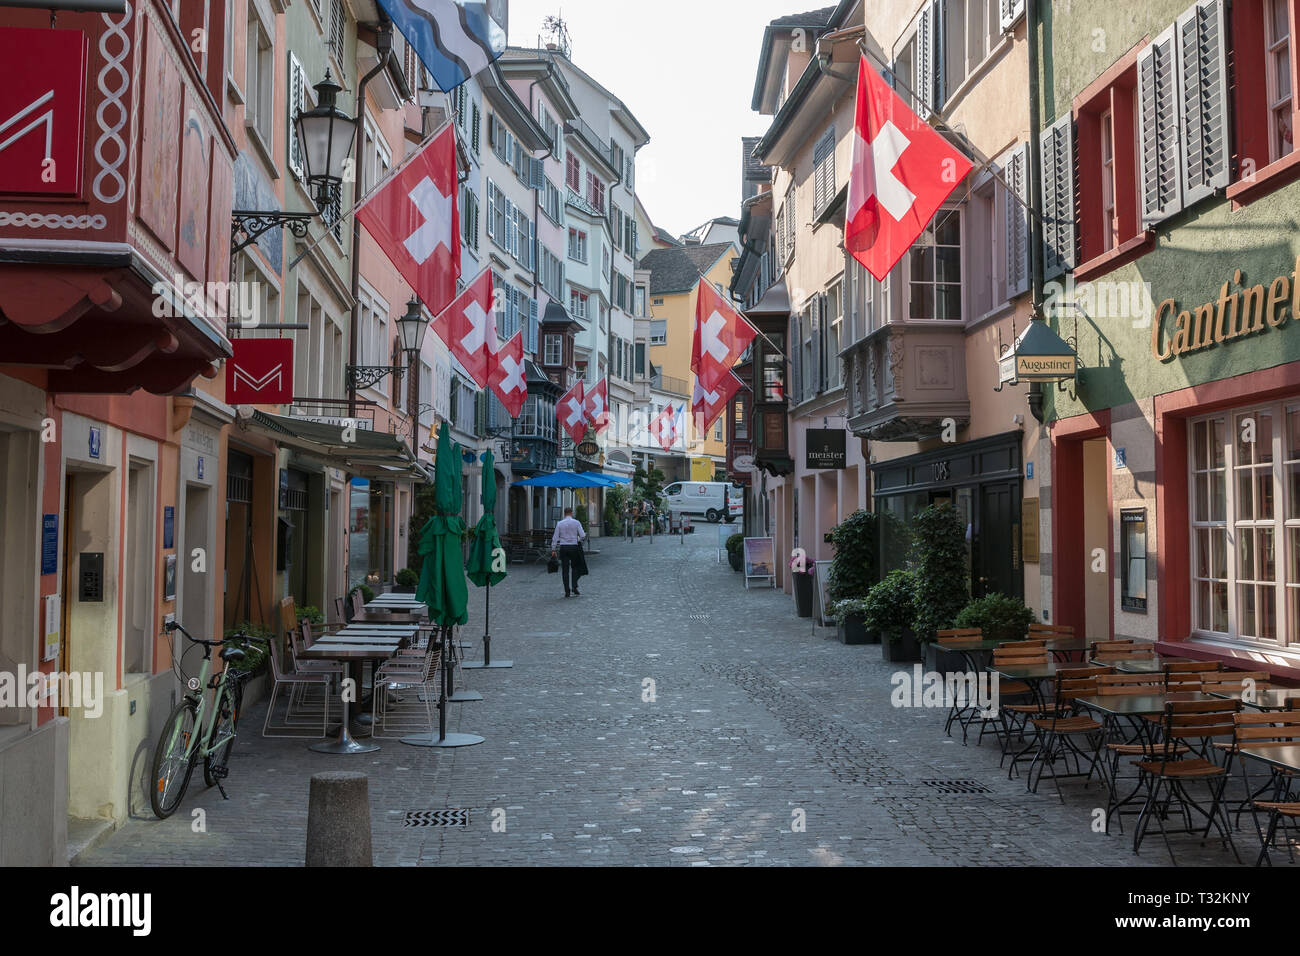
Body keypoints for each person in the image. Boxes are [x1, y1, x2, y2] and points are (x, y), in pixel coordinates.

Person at [550, 506, 588, 597]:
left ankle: (567, 590)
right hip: (574, 547)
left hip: (564, 547)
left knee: (565, 570)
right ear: (571, 513)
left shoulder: (560, 523)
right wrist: (577, 538)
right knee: (575, 567)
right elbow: (582, 535)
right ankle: (574, 586)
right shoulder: (576, 522)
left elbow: (555, 537)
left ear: (564, 513)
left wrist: (553, 549)